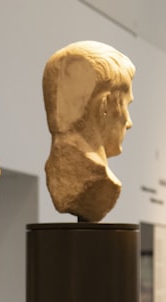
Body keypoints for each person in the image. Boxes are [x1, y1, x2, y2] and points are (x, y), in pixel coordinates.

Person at [42, 40, 135, 222]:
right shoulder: (100, 181)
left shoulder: (56, 171)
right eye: (126, 105)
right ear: (105, 105)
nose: (129, 122)